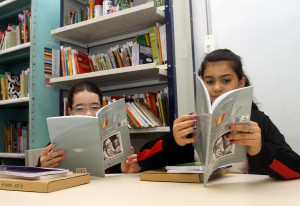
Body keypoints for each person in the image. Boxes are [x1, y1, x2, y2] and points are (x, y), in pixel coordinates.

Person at [137, 49, 300, 179]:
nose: (216, 88)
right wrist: (173, 142)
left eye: (226, 80)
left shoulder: (258, 121)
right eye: (209, 82)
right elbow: (143, 161)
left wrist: (261, 150)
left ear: (241, 83)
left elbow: (295, 169)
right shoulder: (192, 122)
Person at [36, 81, 140, 173]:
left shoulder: (113, 139)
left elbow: (117, 174)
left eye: (95, 107)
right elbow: (38, 176)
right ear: (70, 112)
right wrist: (42, 167)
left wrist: (125, 170)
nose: (89, 114)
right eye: (80, 108)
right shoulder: (57, 144)